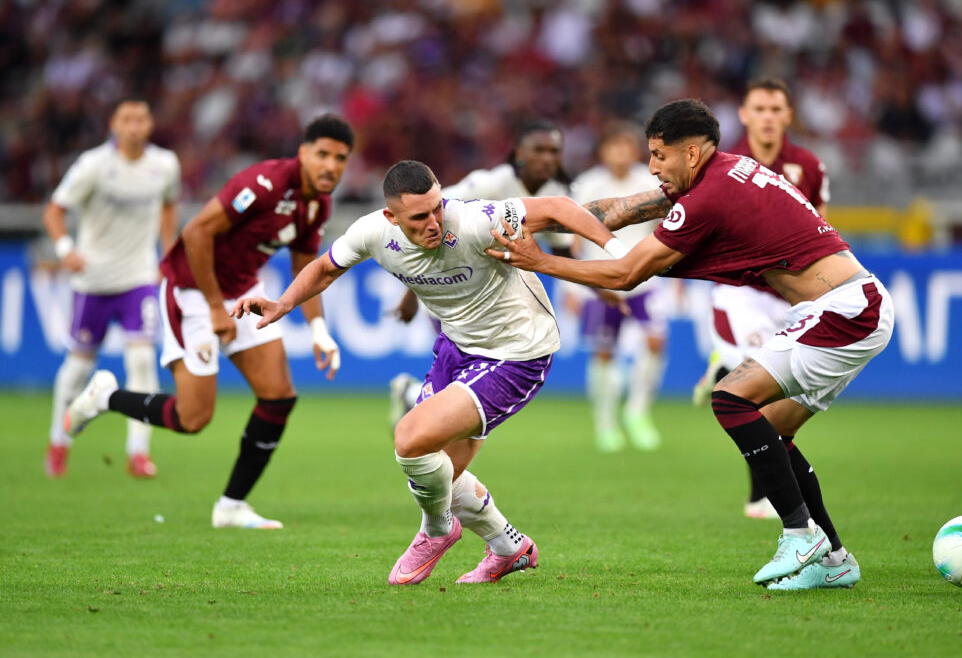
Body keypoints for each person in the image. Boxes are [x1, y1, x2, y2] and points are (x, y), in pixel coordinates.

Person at [490, 99, 894, 590]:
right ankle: (834, 560)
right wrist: (516, 218)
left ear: (693, 154)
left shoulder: (709, 197)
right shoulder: (716, 177)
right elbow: (612, 212)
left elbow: (626, 274)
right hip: (845, 307)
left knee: (730, 398)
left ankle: (797, 532)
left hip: (846, 309)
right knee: (771, 428)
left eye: (660, 155)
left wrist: (540, 262)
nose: (652, 165)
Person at [233, 160, 627, 584]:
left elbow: (558, 207)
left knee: (410, 439)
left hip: (516, 354)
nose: (434, 222)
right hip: (457, 349)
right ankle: (510, 547)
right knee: (437, 475)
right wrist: (283, 303)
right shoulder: (373, 232)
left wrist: (618, 250)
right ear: (392, 217)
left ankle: (436, 530)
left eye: (437, 208)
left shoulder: (475, 220)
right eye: (420, 217)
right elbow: (326, 268)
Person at [63, 115, 354, 529]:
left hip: (241, 291)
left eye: (340, 158)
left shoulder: (316, 205)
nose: (331, 165)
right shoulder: (265, 183)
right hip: (191, 291)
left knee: (279, 397)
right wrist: (216, 307)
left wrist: (319, 331)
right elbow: (197, 232)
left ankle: (230, 506)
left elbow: (308, 266)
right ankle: (105, 397)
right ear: (303, 153)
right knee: (193, 419)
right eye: (322, 154)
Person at [692, 78, 831, 520]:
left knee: (776, 394)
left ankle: (723, 366)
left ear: (788, 115)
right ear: (744, 115)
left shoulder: (809, 166)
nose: (768, 116)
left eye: (776, 109)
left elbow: (820, 230)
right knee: (754, 393)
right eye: (760, 108)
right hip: (741, 293)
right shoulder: (723, 163)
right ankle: (760, 497)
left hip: (788, 296)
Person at [387, 120, 578, 425]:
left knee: (459, 398)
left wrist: (605, 286)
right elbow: (425, 223)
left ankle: (411, 396)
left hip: (490, 303)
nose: (547, 158)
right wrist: (411, 294)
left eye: (554, 151)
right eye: (539, 149)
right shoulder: (488, 185)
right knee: (464, 400)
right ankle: (430, 442)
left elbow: (564, 254)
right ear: (519, 153)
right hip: (449, 293)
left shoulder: (556, 193)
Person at [43, 98, 180, 479]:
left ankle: (138, 452)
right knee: (77, 368)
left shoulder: (165, 165)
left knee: (141, 363)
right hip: (95, 281)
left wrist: (166, 251)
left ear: (150, 125)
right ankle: (59, 441)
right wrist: (66, 250)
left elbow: (169, 205)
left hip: (138, 278)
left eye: (141, 118)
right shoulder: (93, 166)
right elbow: (54, 210)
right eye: (127, 119)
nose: (134, 125)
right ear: (114, 125)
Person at [572, 122, 668, 452]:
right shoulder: (587, 185)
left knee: (656, 342)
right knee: (603, 354)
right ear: (603, 152)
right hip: (602, 283)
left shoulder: (648, 181)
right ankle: (606, 424)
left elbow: (665, 230)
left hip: (644, 279)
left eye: (626, 147)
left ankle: (637, 411)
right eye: (614, 147)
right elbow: (572, 239)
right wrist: (572, 290)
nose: (621, 154)